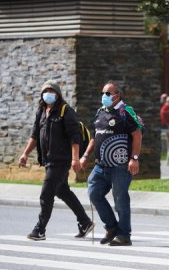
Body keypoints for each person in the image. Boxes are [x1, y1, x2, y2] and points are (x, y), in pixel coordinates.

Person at [18, 80, 94, 241]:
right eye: (46, 91)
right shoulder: (41, 110)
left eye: (52, 91)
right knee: (62, 191)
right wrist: (25, 154)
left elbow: (75, 138)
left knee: (46, 194)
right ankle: (85, 222)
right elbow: (35, 135)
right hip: (48, 160)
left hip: (61, 160)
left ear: (58, 94)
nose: (48, 94)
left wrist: (75, 159)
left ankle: (40, 229)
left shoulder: (65, 111)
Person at [80, 80, 143, 246]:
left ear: (117, 95)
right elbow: (95, 136)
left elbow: (137, 134)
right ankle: (112, 227)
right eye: (102, 93)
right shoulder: (100, 112)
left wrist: (134, 158)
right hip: (101, 165)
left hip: (120, 166)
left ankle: (124, 235)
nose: (104, 96)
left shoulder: (125, 111)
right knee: (94, 193)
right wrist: (86, 155)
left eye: (107, 93)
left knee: (120, 199)